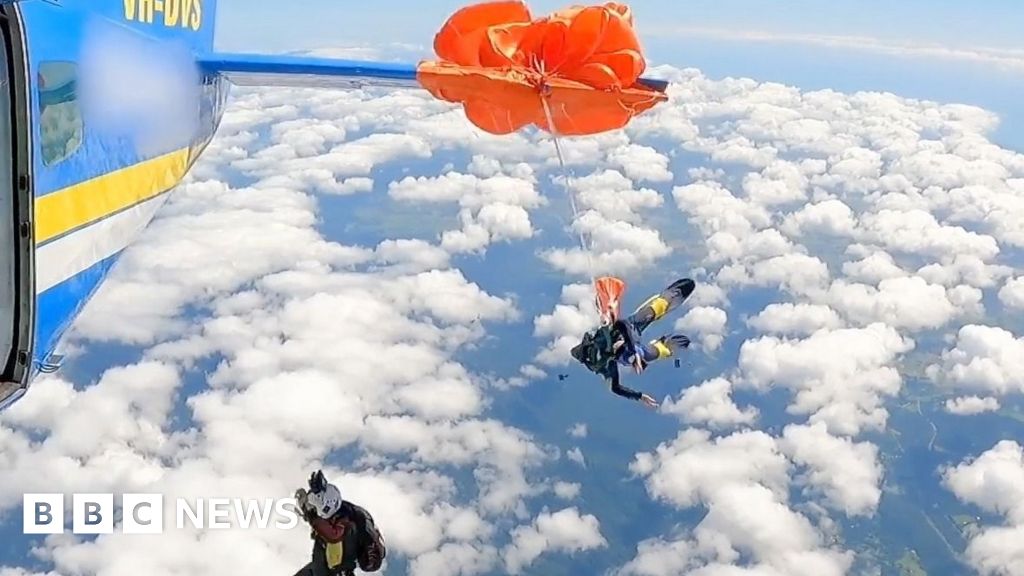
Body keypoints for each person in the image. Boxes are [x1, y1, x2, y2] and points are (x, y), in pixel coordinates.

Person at [570, 278, 695, 408]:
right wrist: (639, 396)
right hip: (631, 343)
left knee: (653, 312)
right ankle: (665, 346)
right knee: (646, 354)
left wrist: (632, 351)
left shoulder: (603, 340)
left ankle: (670, 296)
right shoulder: (607, 362)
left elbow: (622, 324)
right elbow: (615, 388)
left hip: (631, 327)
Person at [294, 470, 386, 576]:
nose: (314, 512)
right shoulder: (341, 513)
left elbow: (333, 535)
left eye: (314, 509)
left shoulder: (346, 522)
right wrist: (308, 512)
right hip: (321, 567)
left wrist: (311, 516)